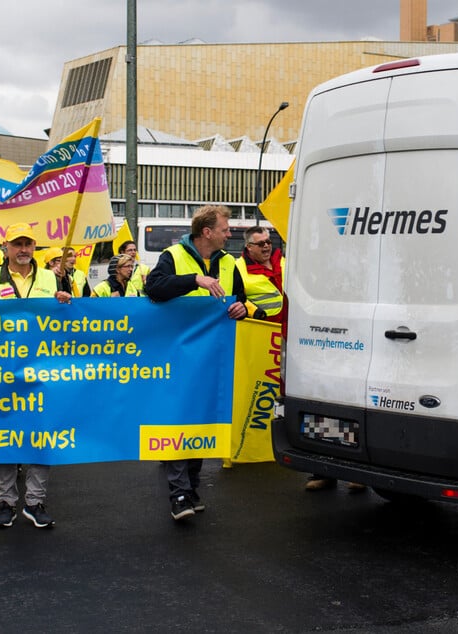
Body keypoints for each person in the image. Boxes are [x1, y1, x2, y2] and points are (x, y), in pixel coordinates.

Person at [235, 228, 364, 493]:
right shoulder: (239, 268)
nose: (267, 247)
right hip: (270, 341)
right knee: (309, 405)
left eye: (269, 242)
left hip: (312, 339)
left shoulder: (289, 262)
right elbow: (235, 299)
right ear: (248, 247)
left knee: (336, 401)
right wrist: (252, 311)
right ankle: (321, 469)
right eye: (260, 244)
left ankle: (355, 471)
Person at [0, 223, 72, 529]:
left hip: (41, 371)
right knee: (6, 436)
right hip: (3, 372)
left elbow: (73, 318)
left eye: (28, 243)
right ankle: (7, 501)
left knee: (41, 434)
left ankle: (35, 502)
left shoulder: (52, 277)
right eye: (17, 244)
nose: (23, 249)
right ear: (6, 248)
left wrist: (66, 301)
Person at [144, 205, 248, 521]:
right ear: (207, 232)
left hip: (212, 358)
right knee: (179, 420)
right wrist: (195, 280)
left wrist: (241, 308)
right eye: (225, 228)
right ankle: (178, 492)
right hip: (176, 357)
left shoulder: (228, 262)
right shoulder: (173, 255)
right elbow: (155, 289)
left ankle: (190, 487)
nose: (230, 234)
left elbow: (240, 298)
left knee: (201, 422)